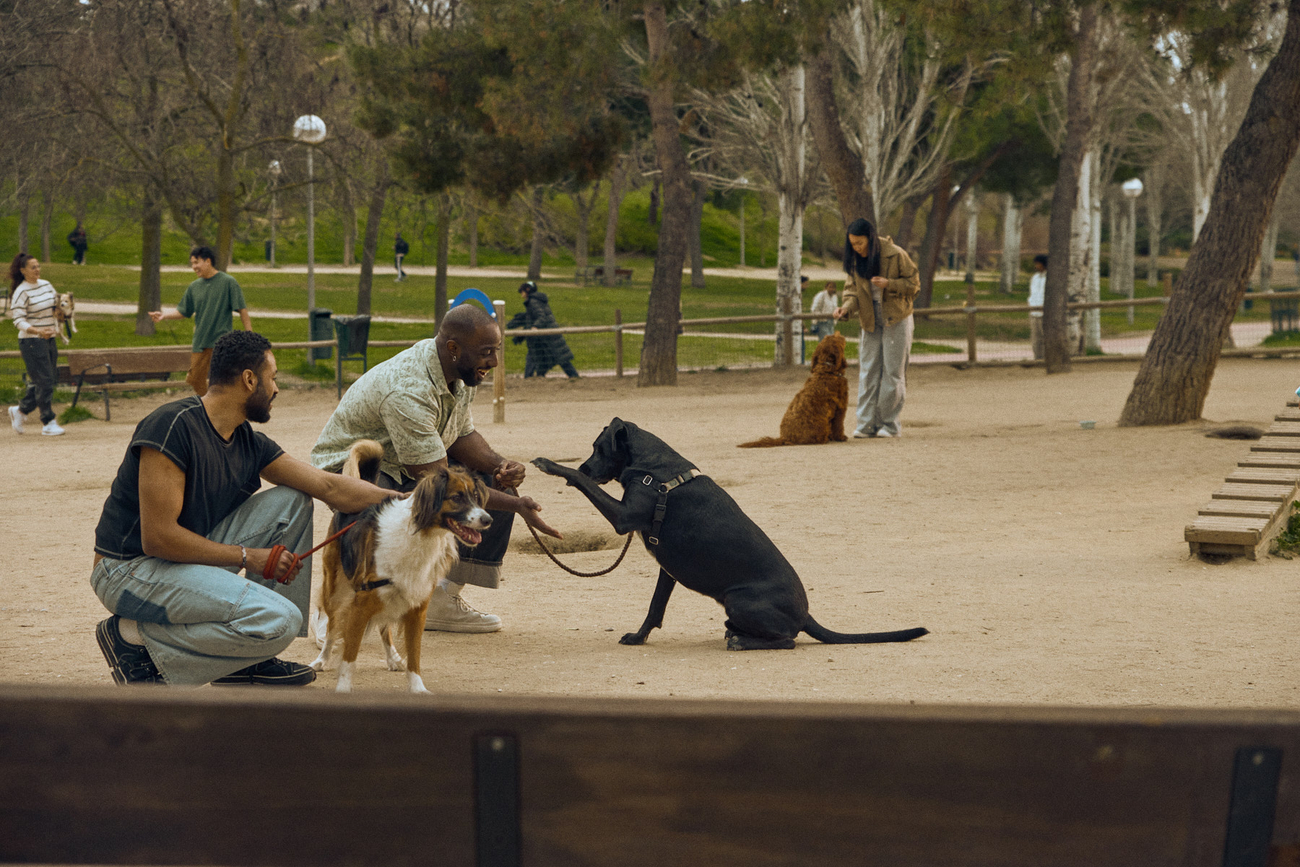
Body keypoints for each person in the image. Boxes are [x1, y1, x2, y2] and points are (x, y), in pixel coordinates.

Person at [90, 330, 399, 687]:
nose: (277, 388)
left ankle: (248, 658)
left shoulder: (248, 441)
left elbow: (328, 486)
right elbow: (158, 539)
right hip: (126, 572)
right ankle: (132, 638)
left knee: (294, 500)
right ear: (249, 380)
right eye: (274, 378)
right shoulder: (172, 425)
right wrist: (247, 556)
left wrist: (401, 500)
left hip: (176, 561)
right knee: (279, 620)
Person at [310, 303, 562, 633]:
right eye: (486, 352)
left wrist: (500, 467)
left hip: (405, 461)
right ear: (454, 348)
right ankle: (333, 606)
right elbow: (440, 483)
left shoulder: (457, 371)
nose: (494, 362)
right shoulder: (408, 389)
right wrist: (517, 505)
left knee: (490, 484)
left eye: (495, 351)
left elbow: (461, 436)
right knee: (380, 508)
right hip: (356, 466)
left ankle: (441, 597)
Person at [833, 217, 920, 439]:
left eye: (860, 243)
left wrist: (890, 284)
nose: (856, 248)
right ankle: (865, 424)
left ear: (870, 239)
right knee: (868, 371)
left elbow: (914, 285)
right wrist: (845, 309)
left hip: (896, 319)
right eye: (852, 244)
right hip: (869, 320)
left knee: (893, 372)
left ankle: (889, 424)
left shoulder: (896, 254)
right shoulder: (855, 261)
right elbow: (851, 292)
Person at [149, 246, 252, 397]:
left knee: (222, 380)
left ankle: (223, 407)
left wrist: (250, 336)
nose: (194, 267)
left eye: (196, 262)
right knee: (195, 379)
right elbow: (183, 311)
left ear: (208, 261)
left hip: (220, 342)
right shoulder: (194, 287)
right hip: (200, 342)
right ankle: (211, 406)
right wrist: (164, 315)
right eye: (192, 263)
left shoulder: (228, 282)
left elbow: (242, 310)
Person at [8, 253, 65, 436]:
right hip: (31, 341)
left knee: (47, 378)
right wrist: (37, 331)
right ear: (23, 270)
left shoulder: (47, 285)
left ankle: (21, 410)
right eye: (33, 267)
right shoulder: (21, 292)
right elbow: (17, 320)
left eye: (38, 266)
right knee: (45, 380)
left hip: (49, 338)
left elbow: (56, 306)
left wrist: (62, 312)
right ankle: (48, 421)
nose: (37, 270)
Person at [517, 281, 579, 379]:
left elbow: (541, 317)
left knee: (559, 356)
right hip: (545, 335)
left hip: (547, 335)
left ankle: (573, 375)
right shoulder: (537, 300)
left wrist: (535, 327)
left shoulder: (533, 302)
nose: (521, 294)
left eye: (522, 291)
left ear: (527, 290)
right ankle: (534, 376)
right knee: (538, 354)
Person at [1028, 254, 1047, 360]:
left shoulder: (1050, 278)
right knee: (1035, 338)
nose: (1036, 266)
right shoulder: (1034, 278)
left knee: (1045, 337)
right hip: (1033, 311)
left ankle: (1046, 358)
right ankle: (1037, 358)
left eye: (1038, 264)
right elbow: (1033, 293)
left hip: (1045, 312)